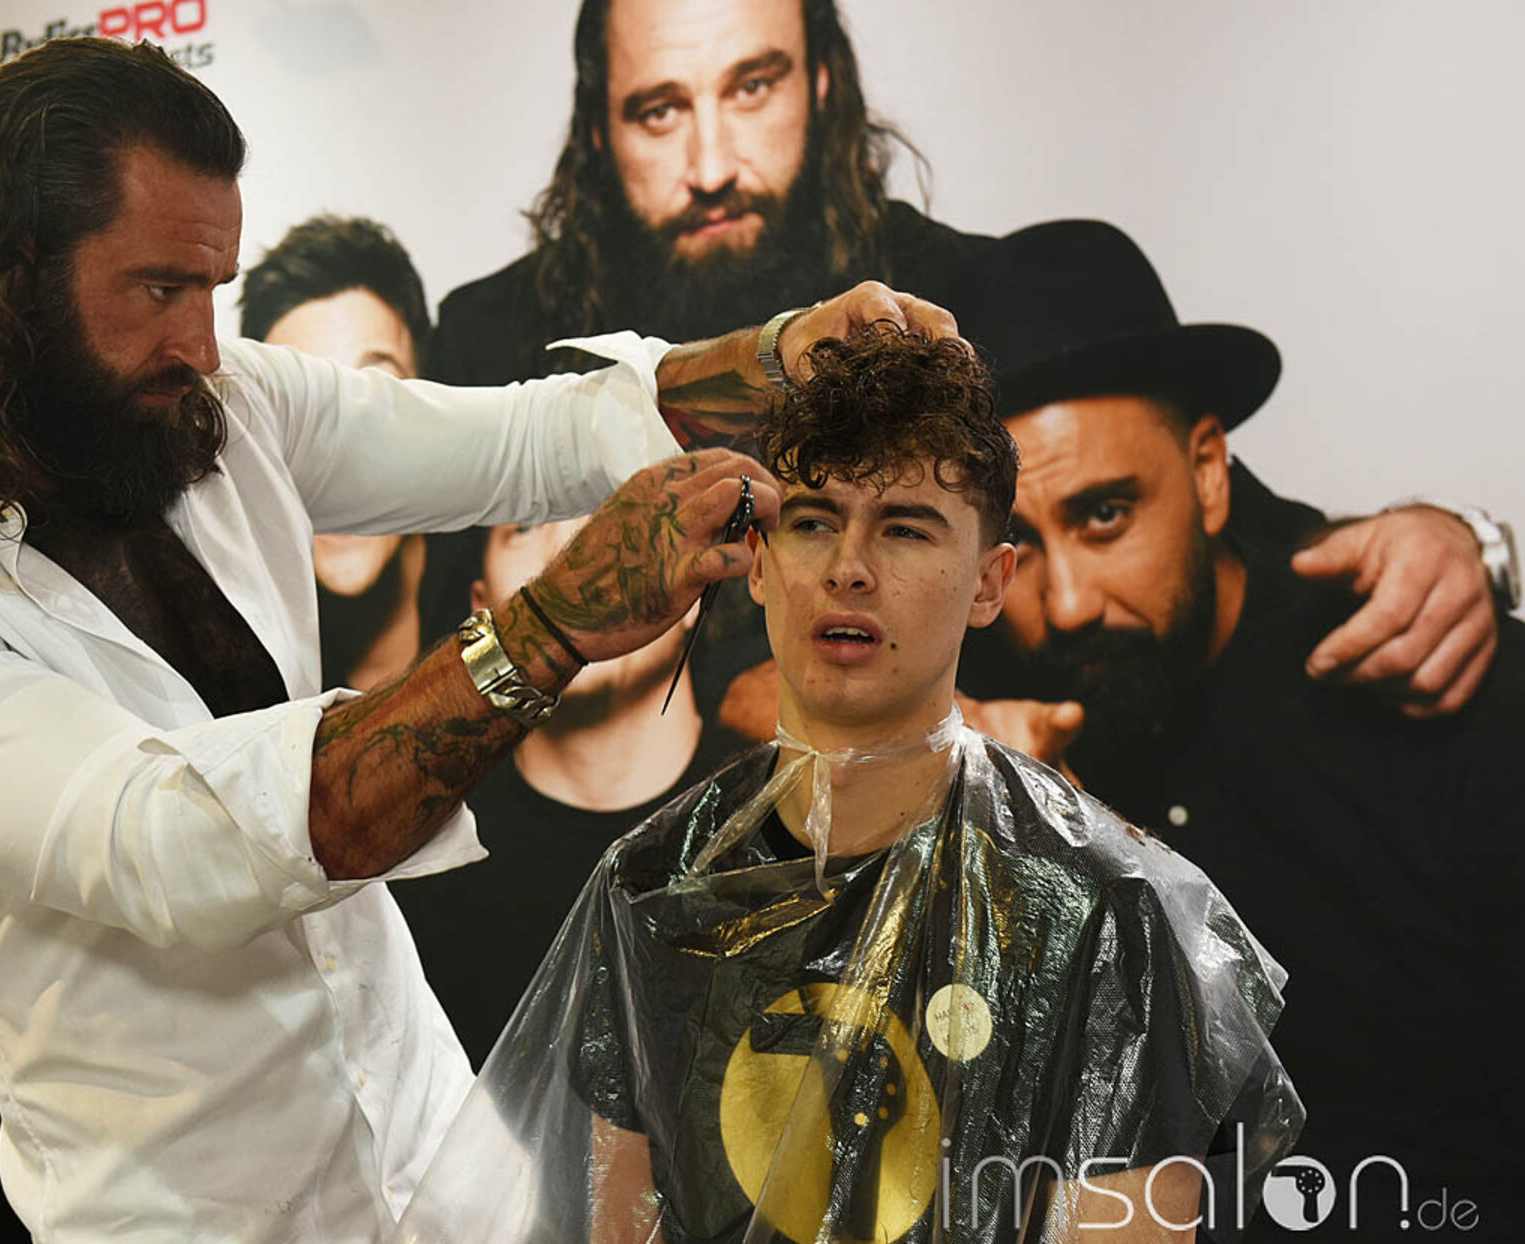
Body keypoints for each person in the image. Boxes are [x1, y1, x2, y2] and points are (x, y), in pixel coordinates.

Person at [0, 36, 946, 1244]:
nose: (202, 344)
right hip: (197, 1239)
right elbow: (182, 844)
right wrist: (549, 627)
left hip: (441, 1162)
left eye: (213, 287)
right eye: (158, 288)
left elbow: (530, 437)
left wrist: (778, 355)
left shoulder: (214, 407)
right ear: (3, 281)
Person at [381, 322, 1300, 1244]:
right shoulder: (655, 892)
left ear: (991, 582)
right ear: (757, 560)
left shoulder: (1112, 917)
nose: (848, 568)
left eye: (905, 528)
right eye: (813, 521)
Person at [432, 0, 1503, 725]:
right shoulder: (494, 342)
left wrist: (1450, 542)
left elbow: (1194, 514)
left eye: (752, 88)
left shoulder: (954, 296)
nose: (711, 164)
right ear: (598, 130)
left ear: (822, 84)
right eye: (660, 110)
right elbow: (428, 657)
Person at [942, 218, 1523, 1244]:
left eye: (1106, 514)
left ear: (1210, 472)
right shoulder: (981, 727)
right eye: (1016, 544)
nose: (1065, 602)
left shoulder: (1430, 677)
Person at [389, 514, 743, 1064]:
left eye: (612, 520)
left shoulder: (780, 829)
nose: (573, 559)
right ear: (482, 612)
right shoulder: (419, 855)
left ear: (692, 592)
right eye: (527, 527)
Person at [242, 214, 436, 690]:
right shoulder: (231, 660)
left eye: (376, 398)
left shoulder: (510, 595)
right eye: (298, 409)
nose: (338, 459)